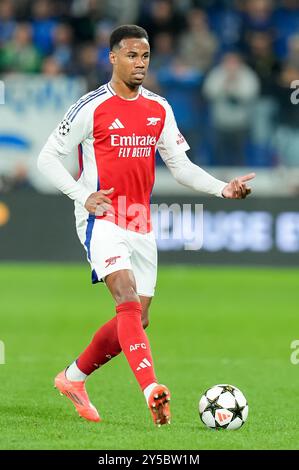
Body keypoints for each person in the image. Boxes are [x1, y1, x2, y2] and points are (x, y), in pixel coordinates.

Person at [37, 25, 255, 426]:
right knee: (126, 297)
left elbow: (182, 167)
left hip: (139, 219)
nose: (140, 63)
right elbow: (48, 158)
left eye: (145, 56)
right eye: (132, 55)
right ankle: (152, 388)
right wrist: (81, 195)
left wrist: (224, 188)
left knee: (138, 317)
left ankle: (73, 378)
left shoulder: (159, 108)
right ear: (113, 58)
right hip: (100, 215)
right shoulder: (91, 106)